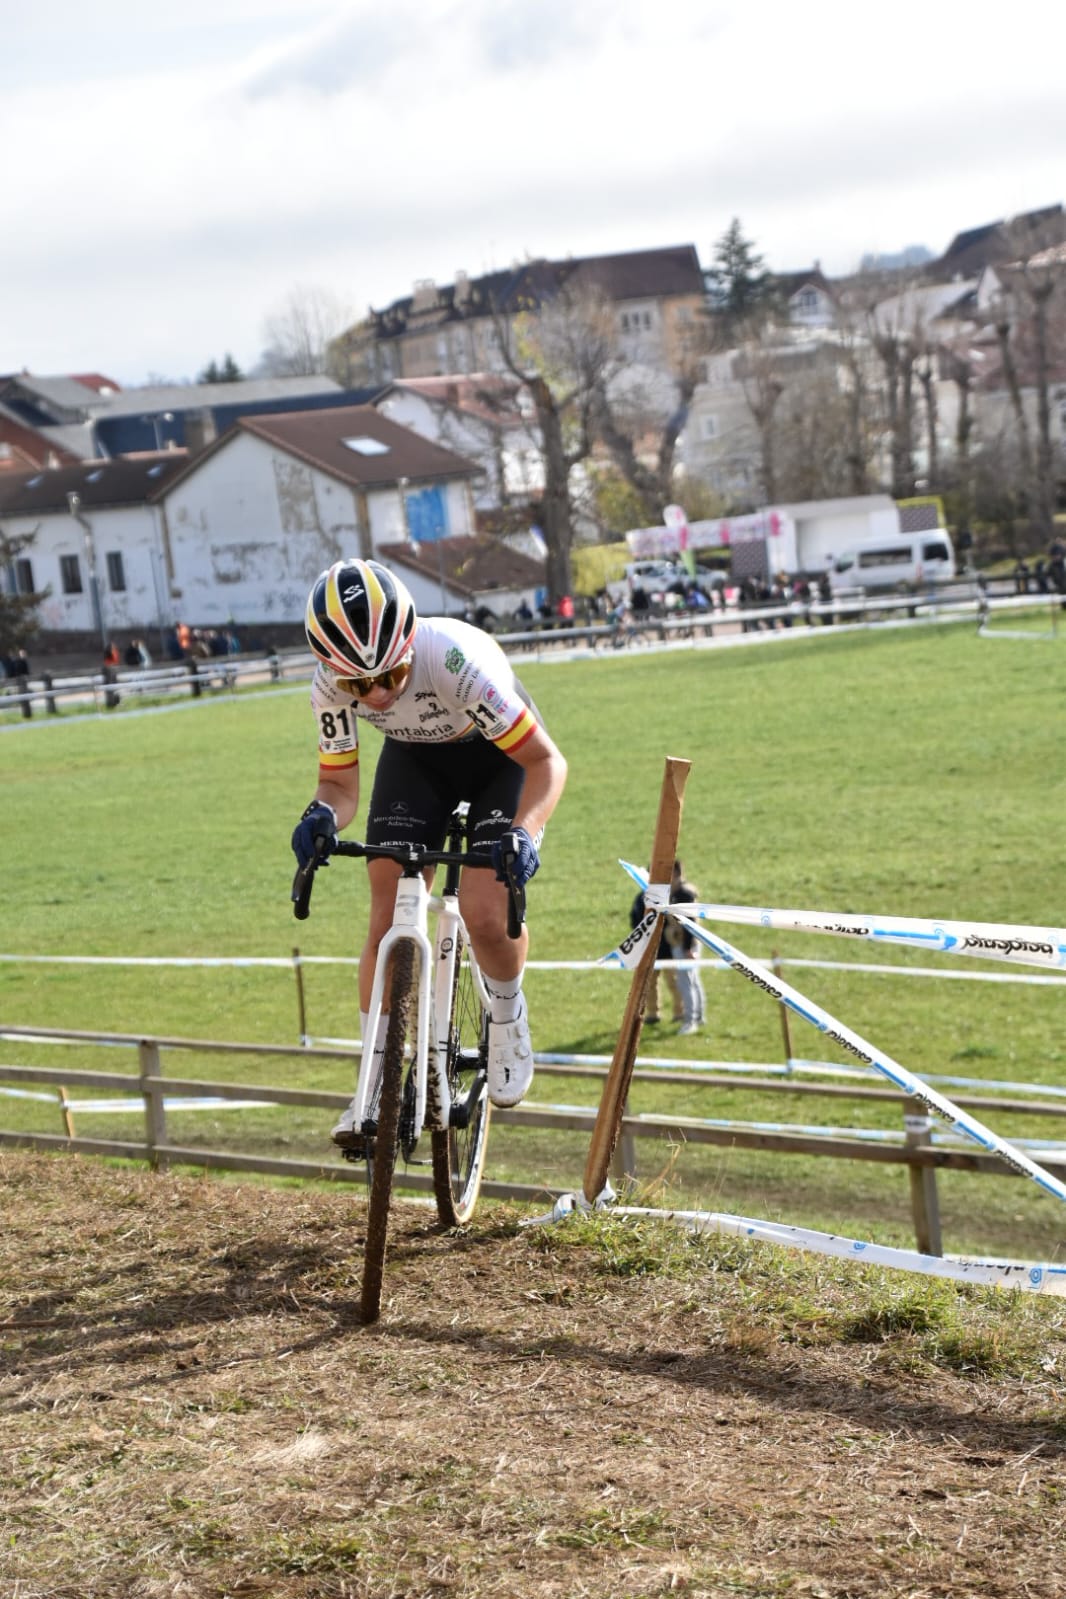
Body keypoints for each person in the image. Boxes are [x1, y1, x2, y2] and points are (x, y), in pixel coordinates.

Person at [290, 558, 568, 1146]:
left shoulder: (452, 663)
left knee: (486, 911)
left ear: (410, 642)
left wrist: (526, 832)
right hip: (415, 762)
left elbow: (547, 762)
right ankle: (372, 1084)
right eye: (360, 687)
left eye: (391, 675)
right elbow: (339, 788)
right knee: (386, 910)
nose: (380, 694)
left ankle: (508, 1014)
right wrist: (318, 816)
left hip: (500, 759)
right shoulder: (328, 687)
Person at [663, 859, 705, 1036]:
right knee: (692, 981)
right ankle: (699, 1017)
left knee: (686, 983)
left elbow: (690, 922)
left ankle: (690, 1021)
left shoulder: (683, 894)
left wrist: (687, 948)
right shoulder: (677, 892)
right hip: (684, 943)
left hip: (685, 944)